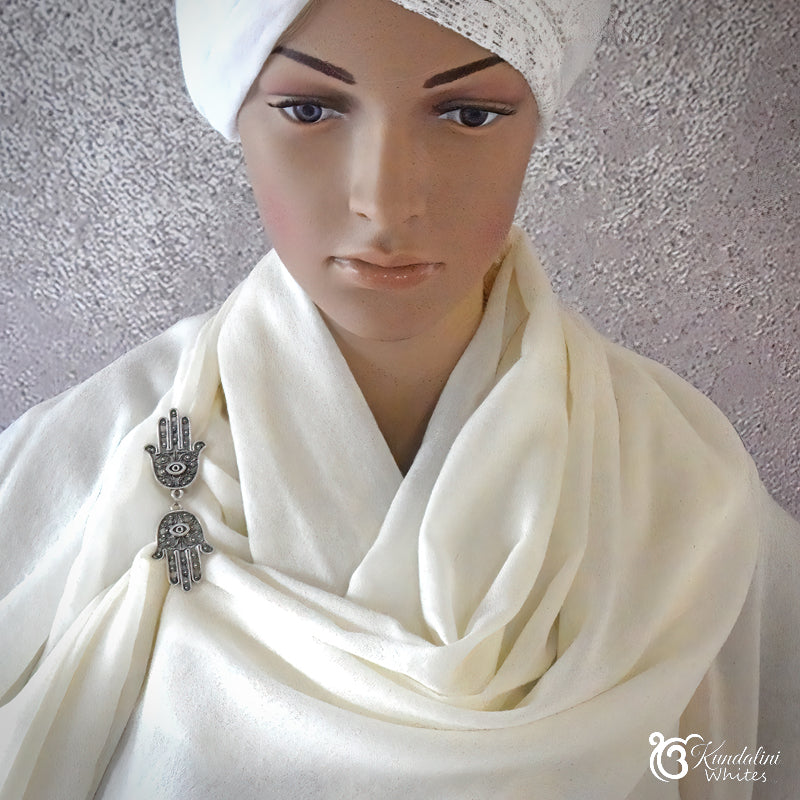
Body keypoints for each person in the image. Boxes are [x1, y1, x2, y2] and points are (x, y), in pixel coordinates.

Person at [0, 0, 797, 797]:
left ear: (536, 124)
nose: (385, 202)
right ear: (236, 112)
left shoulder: (689, 499)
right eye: (309, 109)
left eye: (468, 112)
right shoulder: (72, 469)